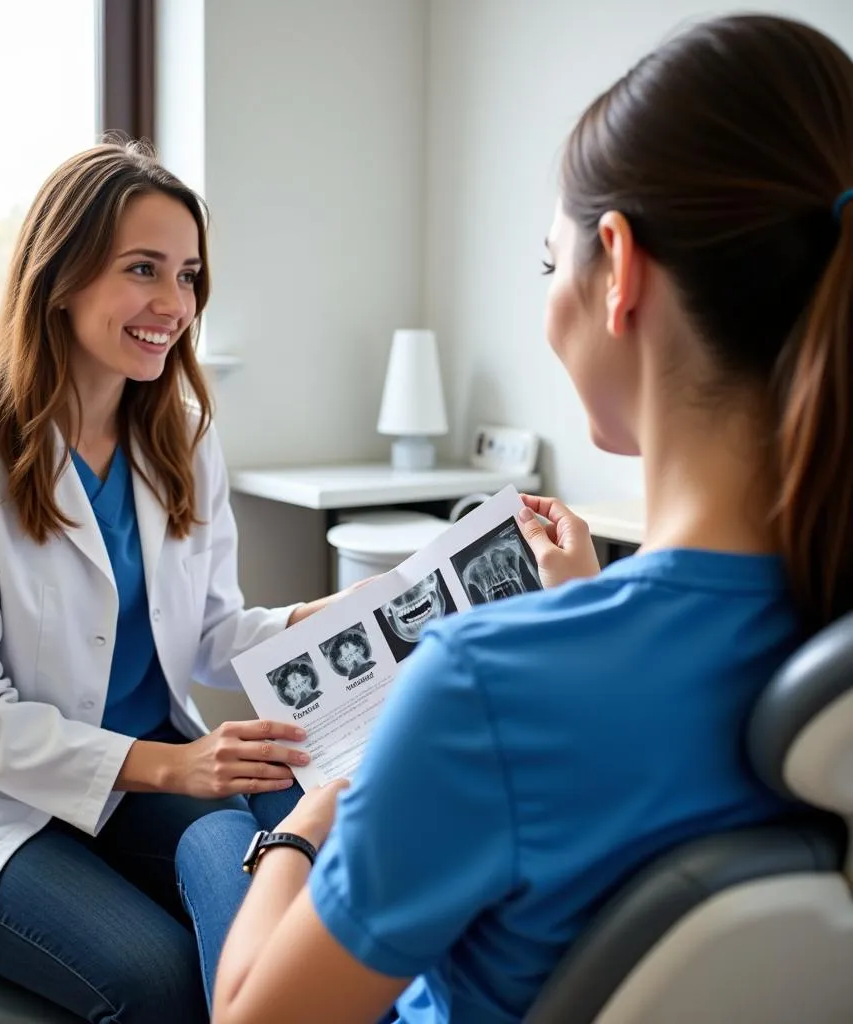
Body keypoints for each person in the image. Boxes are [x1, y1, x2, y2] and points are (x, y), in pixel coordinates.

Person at [174, 14, 853, 1023]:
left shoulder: (483, 685)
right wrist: (588, 604)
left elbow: (252, 1020)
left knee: (215, 839)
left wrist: (322, 816)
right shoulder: (822, 627)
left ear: (617, 268)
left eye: (549, 264)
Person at [0, 141, 343, 1024]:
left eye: (187, 276)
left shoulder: (180, 432)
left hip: (135, 787)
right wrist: (174, 767)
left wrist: (343, 612)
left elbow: (216, 634)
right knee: (155, 979)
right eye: (143, 269)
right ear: (61, 275)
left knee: (280, 902)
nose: (173, 304)